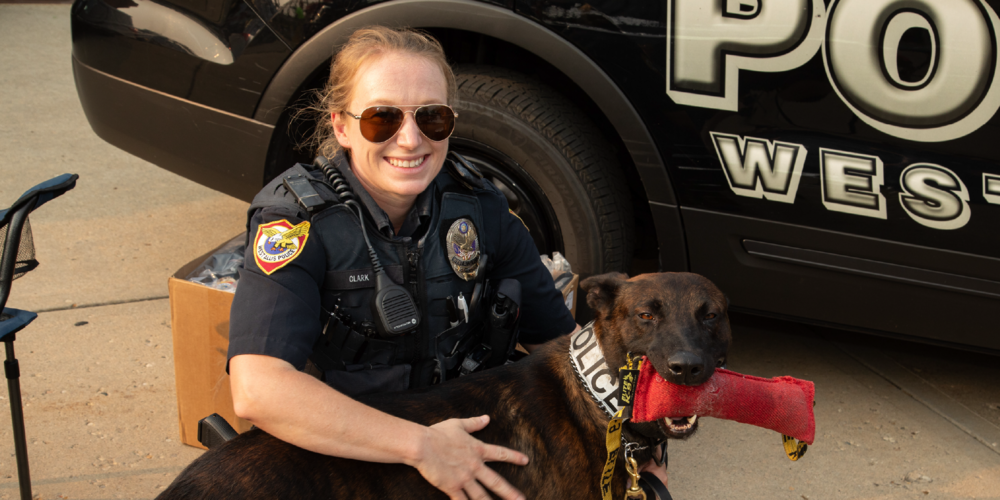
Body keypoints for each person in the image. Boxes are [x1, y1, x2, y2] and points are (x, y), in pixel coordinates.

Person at [226, 26, 580, 500]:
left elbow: (563, 348)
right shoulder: (295, 221)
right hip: (347, 456)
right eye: (382, 118)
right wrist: (422, 446)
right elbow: (258, 389)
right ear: (342, 126)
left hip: (466, 442)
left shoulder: (482, 208)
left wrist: (640, 441)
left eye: (432, 117)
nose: (411, 139)